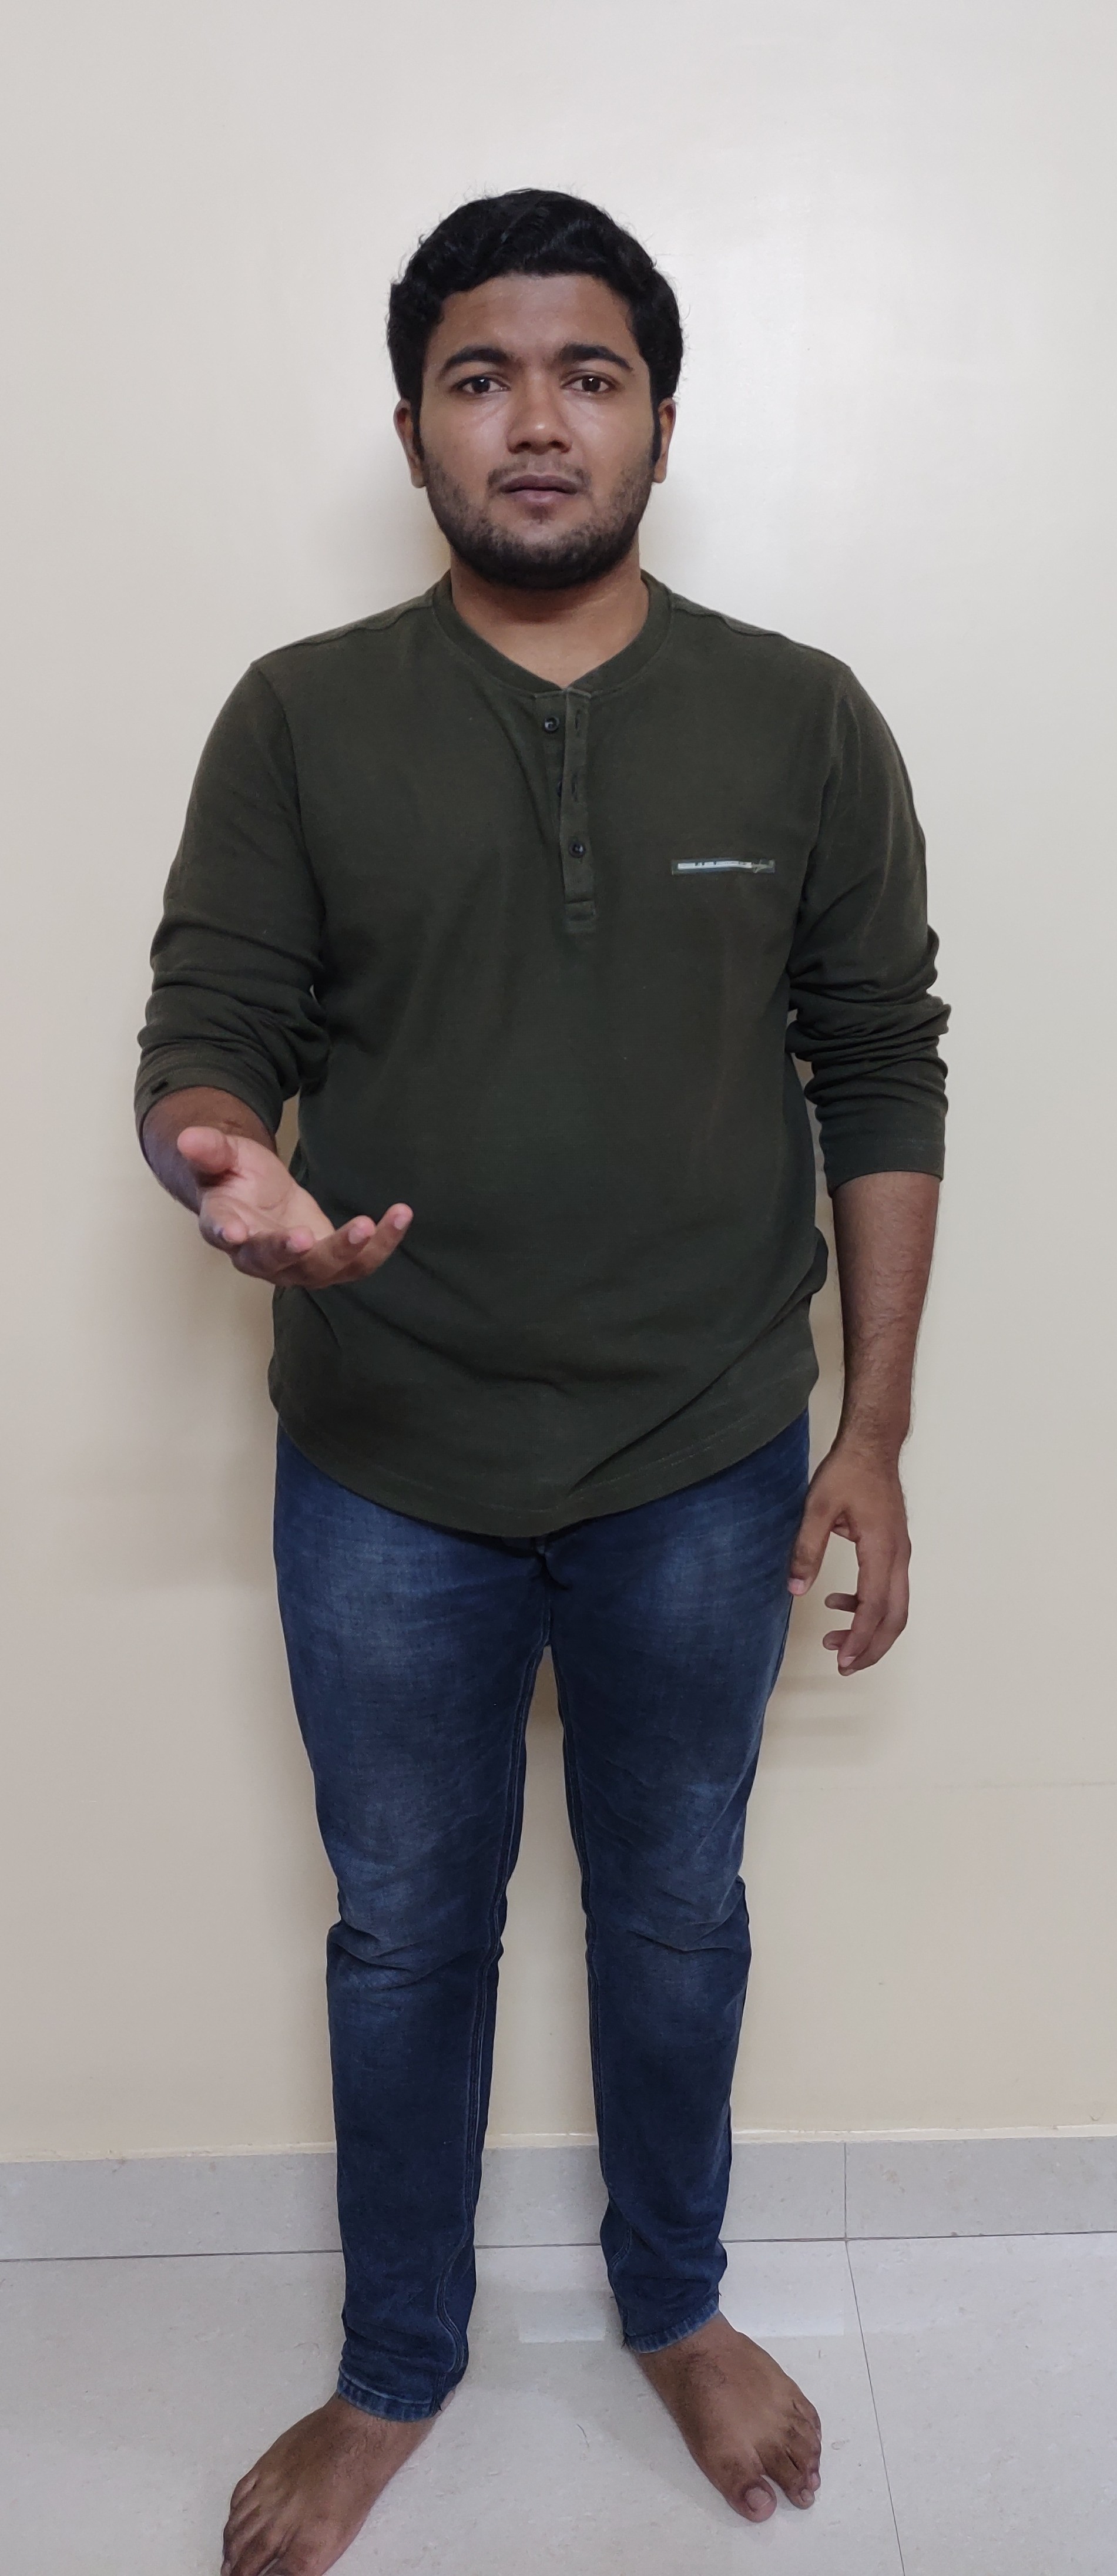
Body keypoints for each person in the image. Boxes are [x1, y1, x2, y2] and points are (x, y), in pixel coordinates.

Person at [136, 188, 948, 2576]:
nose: (534, 419)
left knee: (676, 1906)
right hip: (386, 1453)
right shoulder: (300, 716)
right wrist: (222, 1162)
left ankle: (671, 2302)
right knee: (407, 1925)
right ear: (410, 429)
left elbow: (880, 1068)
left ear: (660, 423)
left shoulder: (801, 716)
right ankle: (400, 2356)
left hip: (702, 1450)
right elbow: (207, 1032)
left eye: (586, 374)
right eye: (478, 376)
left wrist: (874, 1431)